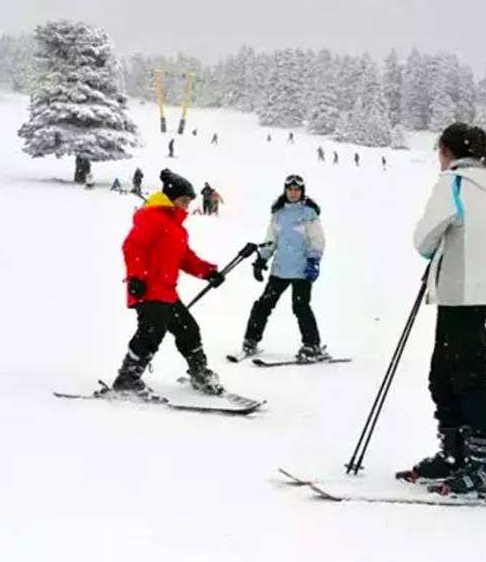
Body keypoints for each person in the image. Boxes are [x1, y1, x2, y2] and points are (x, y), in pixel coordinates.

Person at [402, 122, 486, 495]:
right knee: (448, 373)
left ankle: (485, 464)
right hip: (477, 294)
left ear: (447, 151)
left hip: (457, 293)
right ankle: (457, 453)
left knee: (466, 375)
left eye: (439, 150)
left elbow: (424, 240)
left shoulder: (453, 184)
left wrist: (454, 256)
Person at [103, 168, 227, 398]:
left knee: (188, 329)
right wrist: (137, 277)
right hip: (147, 288)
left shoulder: (176, 228)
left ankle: (199, 372)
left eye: (189, 202)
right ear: (171, 198)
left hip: (166, 291)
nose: (186, 206)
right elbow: (132, 247)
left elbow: (185, 258)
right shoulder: (154, 218)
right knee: (152, 331)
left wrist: (208, 272)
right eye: (183, 201)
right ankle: (127, 379)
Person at [240, 174, 328, 362]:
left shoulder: (308, 214)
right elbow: (271, 240)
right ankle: (251, 340)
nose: (293, 193)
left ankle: (312, 344)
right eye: (290, 189)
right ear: (285, 191)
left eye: (297, 190)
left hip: (301, 270)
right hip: (280, 268)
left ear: (301, 192)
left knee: (300, 307)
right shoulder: (279, 214)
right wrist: (261, 260)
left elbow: (317, 240)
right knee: (264, 304)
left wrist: (314, 261)